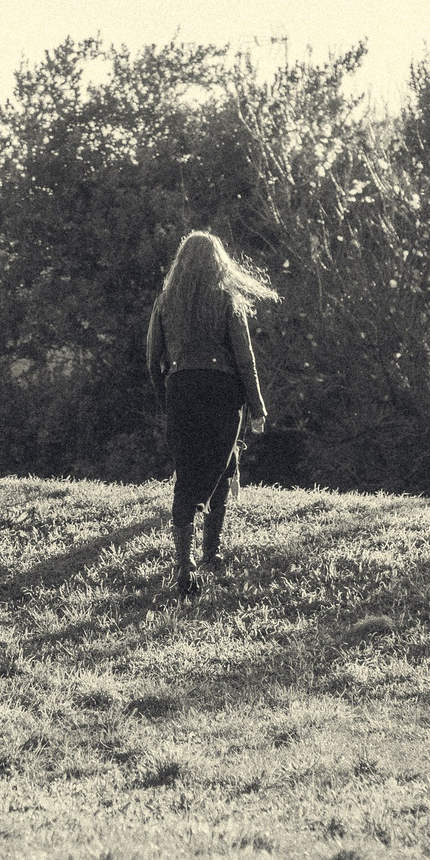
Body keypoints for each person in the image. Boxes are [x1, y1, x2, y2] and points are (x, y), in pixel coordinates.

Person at [145, 229, 275, 599]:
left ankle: (185, 560)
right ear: (220, 263)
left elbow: (152, 359)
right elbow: (245, 359)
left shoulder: (165, 301)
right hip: (222, 392)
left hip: (181, 389)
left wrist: (165, 398)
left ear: (181, 263)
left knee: (187, 474)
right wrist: (256, 407)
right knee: (220, 467)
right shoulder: (228, 299)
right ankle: (210, 554)